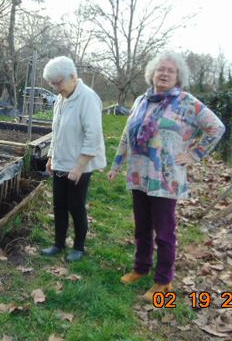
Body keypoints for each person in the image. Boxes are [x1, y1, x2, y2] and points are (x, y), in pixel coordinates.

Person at [107, 51, 225, 301]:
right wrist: (117, 164)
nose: (164, 74)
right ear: (152, 72)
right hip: (139, 173)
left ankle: (163, 281)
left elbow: (217, 127)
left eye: (170, 71)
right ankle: (141, 268)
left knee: (164, 232)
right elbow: (126, 134)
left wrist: (194, 155)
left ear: (178, 76)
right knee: (142, 227)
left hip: (165, 179)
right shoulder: (142, 100)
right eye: (161, 69)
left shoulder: (187, 102)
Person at [41, 56, 106, 262]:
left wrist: (79, 167)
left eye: (57, 82)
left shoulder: (88, 98)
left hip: (80, 164)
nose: (55, 87)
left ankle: (79, 246)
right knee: (59, 204)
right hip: (61, 160)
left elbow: (93, 136)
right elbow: (56, 129)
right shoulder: (61, 99)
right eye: (52, 83)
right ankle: (58, 244)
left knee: (76, 205)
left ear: (73, 77)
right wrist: (51, 155)